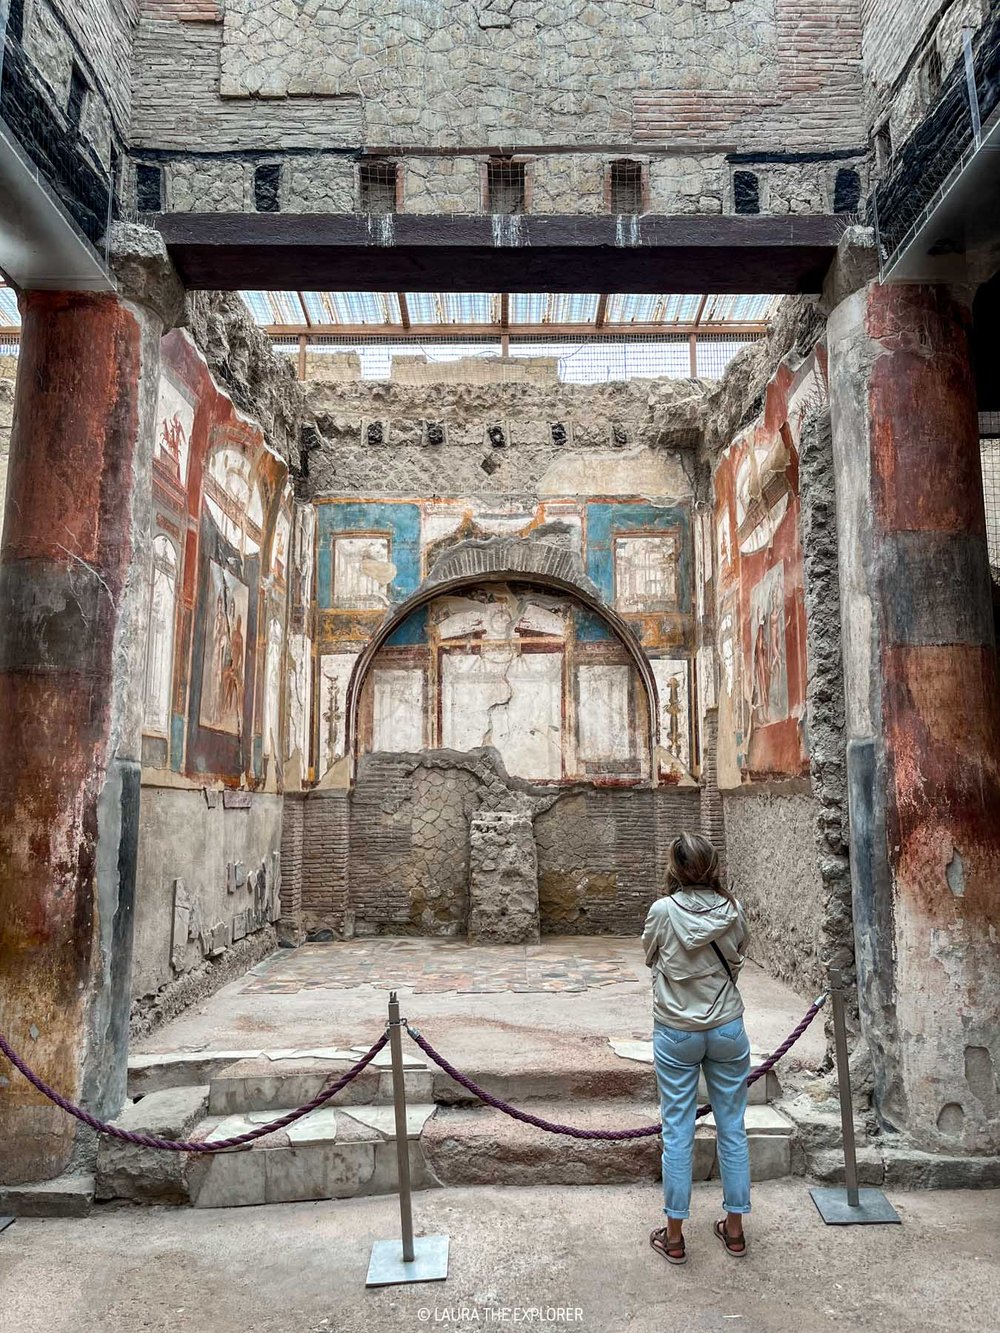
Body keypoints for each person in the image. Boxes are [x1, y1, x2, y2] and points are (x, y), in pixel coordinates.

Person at [642, 832, 751, 1265]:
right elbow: (739, 951)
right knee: (733, 1128)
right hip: (727, 1027)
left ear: (675, 868)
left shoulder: (662, 911)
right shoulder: (733, 909)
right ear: (713, 866)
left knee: (677, 1130)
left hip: (676, 1030)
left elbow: (650, 954)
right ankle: (736, 1230)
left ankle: (674, 1236)